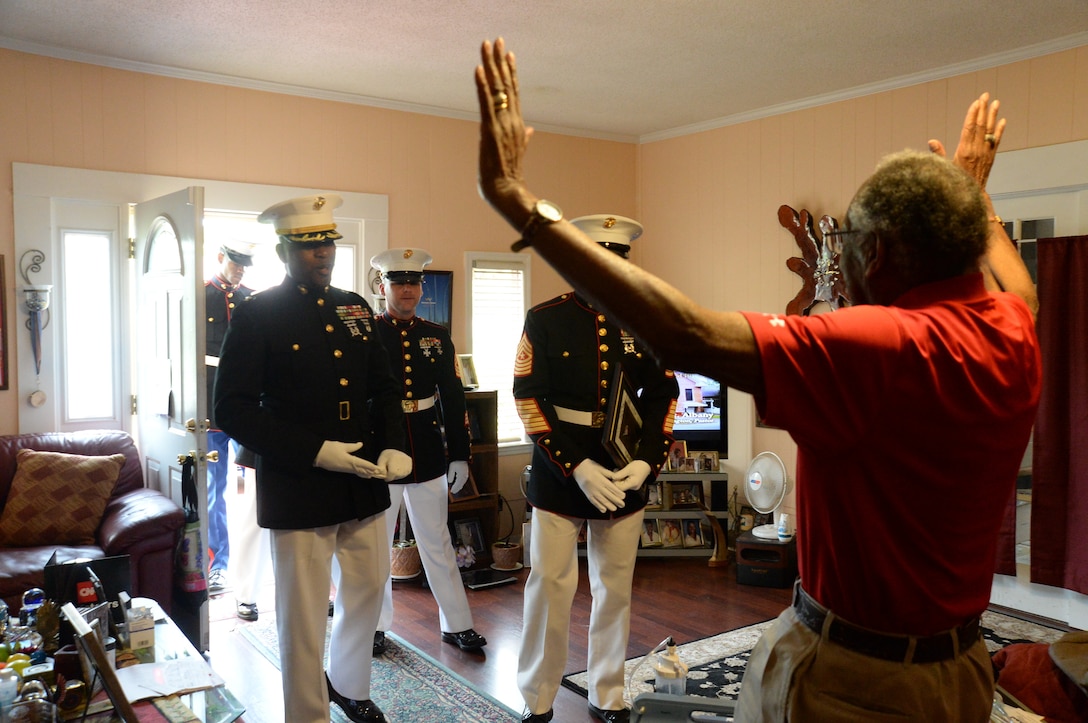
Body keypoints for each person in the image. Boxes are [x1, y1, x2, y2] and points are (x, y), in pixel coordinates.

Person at [476, 38, 1040, 722]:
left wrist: (521, 204)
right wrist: (972, 196)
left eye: (850, 254)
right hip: (959, 672)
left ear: (880, 254)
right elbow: (1022, 289)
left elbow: (683, 332)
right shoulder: (1012, 331)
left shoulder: (871, 347)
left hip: (855, 681)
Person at [215, 194, 412, 723]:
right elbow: (231, 408)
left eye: (326, 243)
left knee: (368, 591)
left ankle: (349, 685)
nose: (321, 255)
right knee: (302, 615)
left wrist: (394, 441)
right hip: (299, 480)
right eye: (307, 247)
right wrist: (315, 451)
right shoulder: (258, 314)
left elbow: (385, 387)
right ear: (283, 252)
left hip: (363, 477)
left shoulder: (354, 305)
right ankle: (307, 713)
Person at [511, 211, 679, 723]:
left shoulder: (645, 317)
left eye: (617, 260)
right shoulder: (547, 317)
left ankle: (608, 692)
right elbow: (528, 399)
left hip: (624, 469)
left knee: (615, 587)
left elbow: (663, 395)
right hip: (561, 472)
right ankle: (538, 699)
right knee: (550, 586)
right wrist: (575, 464)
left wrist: (649, 460)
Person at [369, 247, 487, 655]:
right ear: (382, 286)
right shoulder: (367, 333)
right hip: (379, 453)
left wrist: (460, 453)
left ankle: (457, 624)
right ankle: (373, 627)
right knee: (375, 548)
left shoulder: (436, 336)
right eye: (398, 283)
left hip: (427, 452)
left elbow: (452, 397)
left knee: (437, 541)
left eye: (414, 283)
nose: (407, 290)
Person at [204, 239, 256, 599]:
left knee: (255, 490)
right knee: (213, 493)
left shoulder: (254, 300)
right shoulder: (199, 296)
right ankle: (217, 565)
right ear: (220, 258)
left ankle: (251, 569)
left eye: (243, 266)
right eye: (234, 263)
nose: (238, 270)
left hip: (247, 407)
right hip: (208, 411)